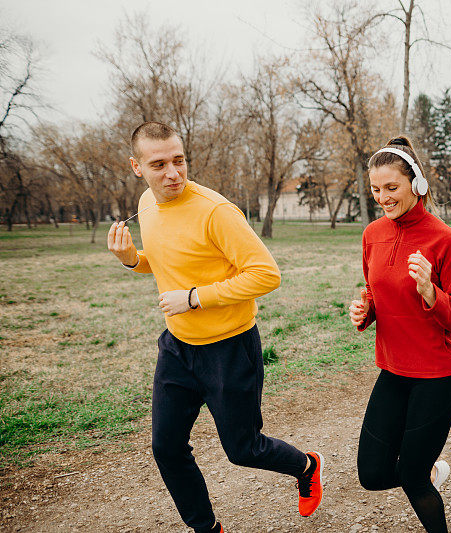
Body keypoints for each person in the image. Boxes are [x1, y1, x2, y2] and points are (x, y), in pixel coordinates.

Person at [107, 121, 323, 533]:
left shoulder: (216, 211)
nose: (173, 173)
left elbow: (266, 274)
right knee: (166, 448)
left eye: (179, 160)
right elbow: (166, 261)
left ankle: (306, 465)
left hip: (229, 348)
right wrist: (132, 258)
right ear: (137, 167)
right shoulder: (147, 206)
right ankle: (207, 529)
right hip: (177, 347)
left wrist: (193, 297)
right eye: (159, 164)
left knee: (243, 450)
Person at [349, 136, 451, 533]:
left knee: (412, 477)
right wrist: (365, 310)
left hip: (437, 377)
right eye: (375, 189)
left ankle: (421, 471)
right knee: (371, 473)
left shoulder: (443, 238)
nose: (383, 197)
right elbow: (375, 291)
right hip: (394, 372)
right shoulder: (372, 235)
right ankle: (428, 468)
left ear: (416, 184)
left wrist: (431, 294)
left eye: (392, 187)